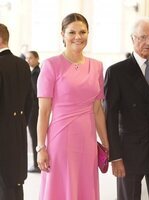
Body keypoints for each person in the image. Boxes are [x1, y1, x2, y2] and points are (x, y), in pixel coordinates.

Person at [36, 13, 109, 200]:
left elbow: (98, 110)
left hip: (88, 139)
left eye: (83, 32)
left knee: (85, 187)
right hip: (60, 139)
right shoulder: (50, 65)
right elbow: (43, 112)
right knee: (61, 188)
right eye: (72, 32)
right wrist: (40, 147)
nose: (78, 36)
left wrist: (107, 144)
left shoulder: (97, 67)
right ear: (62, 34)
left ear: (88, 34)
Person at [104, 17, 149, 200]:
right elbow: (109, 117)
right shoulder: (116, 72)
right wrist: (115, 156)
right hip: (129, 153)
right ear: (132, 39)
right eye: (143, 37)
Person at [0, 24, 32, 200]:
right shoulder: (23, 64)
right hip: (18, 130)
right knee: (15, 180)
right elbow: (29, 102)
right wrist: (19, 123)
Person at [25, 51, 40, 173]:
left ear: (36, 58)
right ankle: (35, 163)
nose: (28, 60)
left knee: (34, 136)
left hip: (34, 109)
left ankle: (36, 164)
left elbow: (35, 92)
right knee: (34, 135)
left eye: (30, 58)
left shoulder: (36, 73)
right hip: (34, 108)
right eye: (27, 58)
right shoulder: (33, 72)